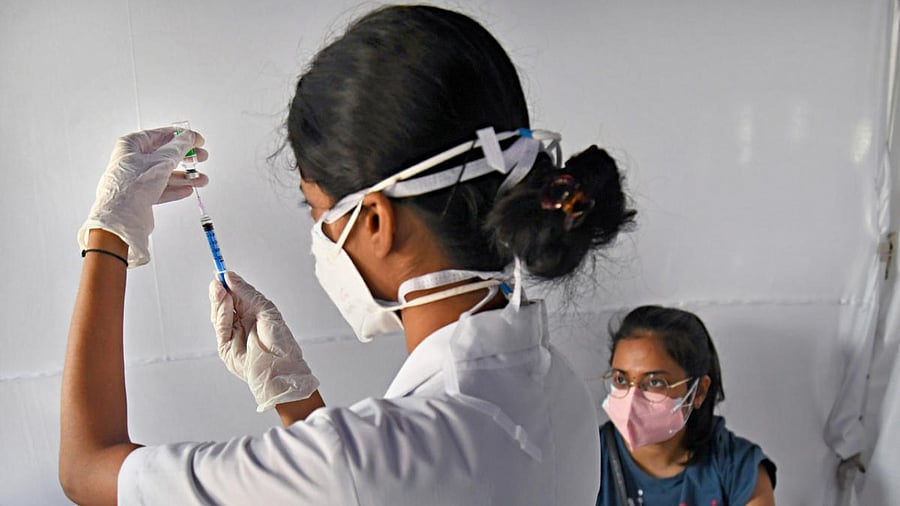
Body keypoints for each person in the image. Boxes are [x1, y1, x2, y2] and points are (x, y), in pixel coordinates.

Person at [59, 5, 635, 505]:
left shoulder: (361, 458)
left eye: (320, 215)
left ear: (377, 222)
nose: (321, 237)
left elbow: (87, 470)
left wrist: (111, 230)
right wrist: (294, 396)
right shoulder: (558, 391)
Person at [597, 305, 777, 505]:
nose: (632, 399)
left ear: (698, 391)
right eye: (621, 379)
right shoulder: (586, 458)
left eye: (655, 382)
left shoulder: (737, 467)